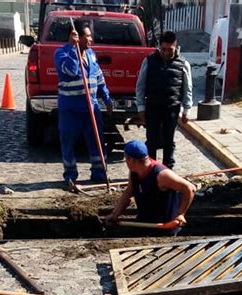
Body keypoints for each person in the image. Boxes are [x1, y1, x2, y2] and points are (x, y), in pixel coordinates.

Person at [54, 21, 112, 190]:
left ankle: (99, 173)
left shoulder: (91, 54)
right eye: (87, 36)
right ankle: (71, 176)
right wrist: (73, 48)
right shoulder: (61, 54)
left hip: (91, 108)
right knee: (68, 143)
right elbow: (72, 70)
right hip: (70, 110)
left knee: (97, 142)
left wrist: (106, 98)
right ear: (77, 37)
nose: (91, 39)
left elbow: (99, 77)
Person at [105, 140, 196, 235]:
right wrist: (115, 214)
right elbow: (129, 192)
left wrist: (180, 214)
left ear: (131, 160)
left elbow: (190, 188)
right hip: (144, 226)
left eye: (126, 158)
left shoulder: (162, 175)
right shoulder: (134, 171)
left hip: (165, 230)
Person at [136, 31, 193, 170]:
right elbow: (140, 86)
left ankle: (168, 170)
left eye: (170, 49)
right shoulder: (149, 61)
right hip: (152, 107)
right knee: (152, 140)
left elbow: (187, 88)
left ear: (176, 46)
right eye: (164, 49)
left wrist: (187, 109)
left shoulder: (183, 63)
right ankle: (151, 169)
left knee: (169, 140)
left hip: (172, 108)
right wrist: (141, 108)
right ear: (159, 46)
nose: (167, 52)